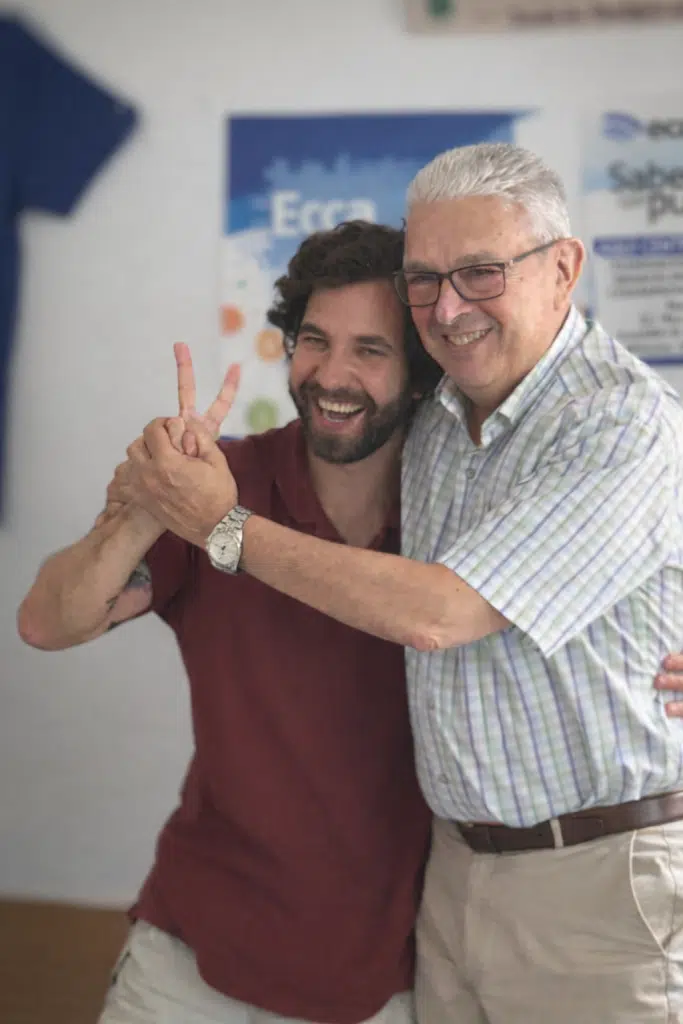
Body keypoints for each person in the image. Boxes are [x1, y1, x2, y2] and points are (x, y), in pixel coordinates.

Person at [106, 144, 683, 1024]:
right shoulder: (439, 414)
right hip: (451, 881)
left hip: (599, 882)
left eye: (481, 272)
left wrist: (221, 525)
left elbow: (438, 612)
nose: (448, 308)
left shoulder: (617, 419)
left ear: (563, 268)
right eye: (424, 279)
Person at [17, 221, 442, 1024]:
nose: (332, 375)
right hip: (188, 960)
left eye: (370, 350)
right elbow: (47, 623)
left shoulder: (451, 516)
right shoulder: (224, 483)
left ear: (420, 376)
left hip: (381, 981)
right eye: (314, 340)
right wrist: (151, 505)